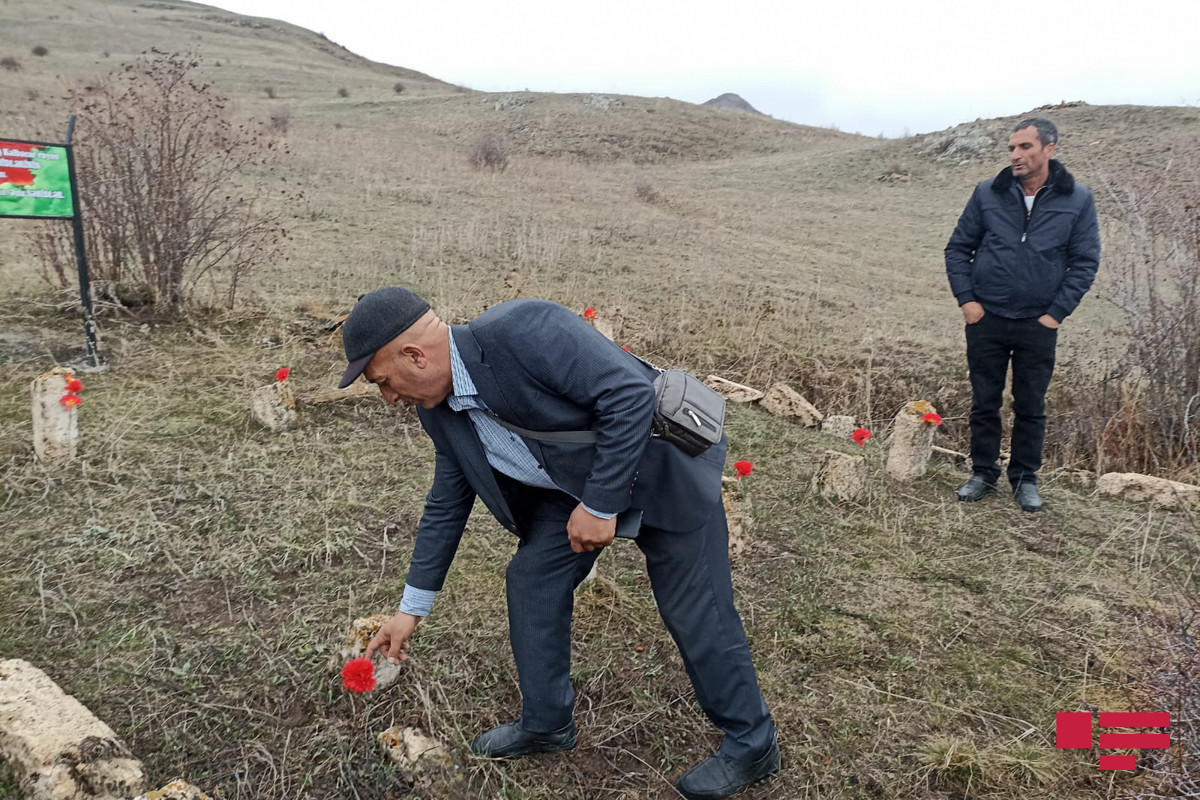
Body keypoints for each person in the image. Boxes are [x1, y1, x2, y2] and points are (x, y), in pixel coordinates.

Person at [341, 287, 779, 800]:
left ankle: (753, 743)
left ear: (414, 355)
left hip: (660, 469)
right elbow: (446, 502)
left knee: (695, 608)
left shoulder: (521, 330)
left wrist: (600, 506)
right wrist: (410, 611)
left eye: (384, 383)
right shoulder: (438, 411)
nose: (389, 399)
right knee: (532, 578)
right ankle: (547, 722)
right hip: (568, 492)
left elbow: (629, 395)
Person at [945, 118, 1101, 512]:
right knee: (984, 400)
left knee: (1031, 404)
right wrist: (968, 301)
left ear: (1049, 149)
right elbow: (957, 249)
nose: (1015, 155)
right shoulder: (987, 194)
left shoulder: (1077, 200)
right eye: (1012, 148)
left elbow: (1085, 262)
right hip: (987, 318)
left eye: (1025, 147)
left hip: (1038, 323)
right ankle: (982, 472)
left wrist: (1055, 314)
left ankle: (1025, 478)